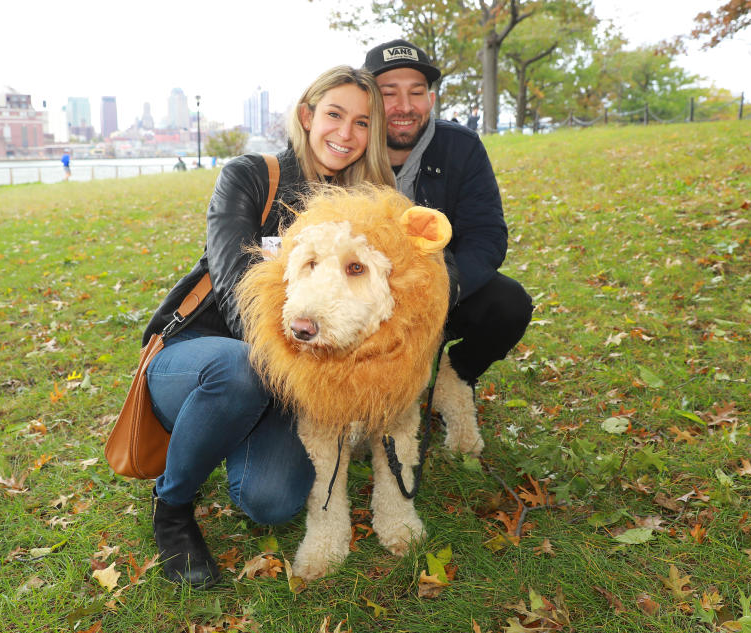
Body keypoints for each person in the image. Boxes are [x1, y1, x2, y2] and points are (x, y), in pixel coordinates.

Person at [139, 65, 395, 589]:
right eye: (334, 115)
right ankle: (173, 506)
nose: (345, 134)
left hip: (288, 379)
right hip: (201, 354)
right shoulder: (250, 176)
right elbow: (236, 289)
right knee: (242, 367)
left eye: (362, 123)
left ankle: (223, 435)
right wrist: (290, 363)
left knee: (271, 502)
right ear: (307, 116)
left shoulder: (368, 210)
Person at [363, 39, 533, 442]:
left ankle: (454, 374)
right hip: (362, 296)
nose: (404, 105)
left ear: (432, 98)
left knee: (509, 304)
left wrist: (438, 290)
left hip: (441, 292)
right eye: (389, 93)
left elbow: (487, 237)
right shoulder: (346, 149)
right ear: (368, 100)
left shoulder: (462, 146)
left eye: (416, 92)